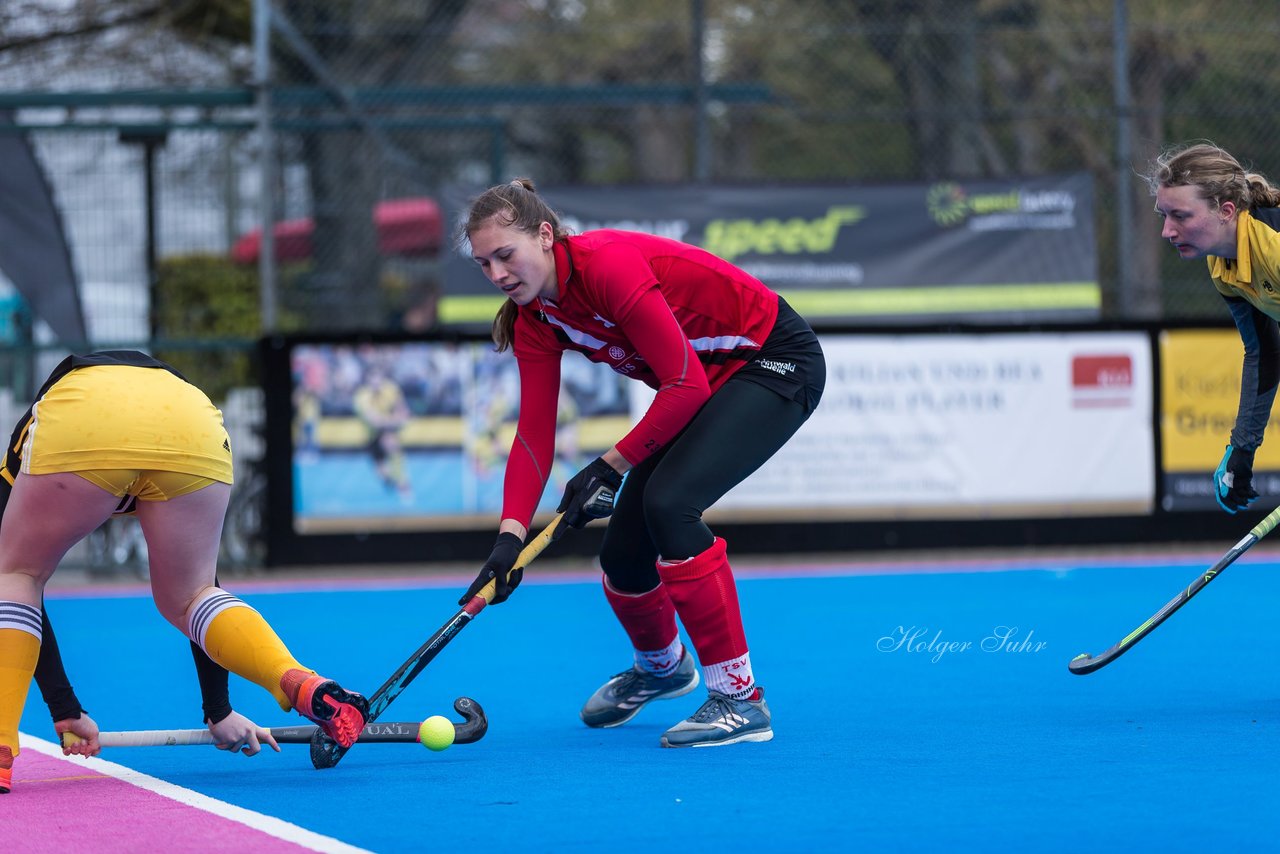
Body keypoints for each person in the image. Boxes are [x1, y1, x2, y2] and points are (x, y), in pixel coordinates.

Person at [458, 178, 825, 748]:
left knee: (671, 504)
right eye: (484, 264)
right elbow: (533, 436)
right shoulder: (534, 318)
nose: (499, 275)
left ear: (546, 236)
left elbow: (683, 384)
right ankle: (662, 667)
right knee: (624, 554)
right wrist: (508, 539)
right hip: (707, 383)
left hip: (772, 361)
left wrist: (607, 466)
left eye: (506, 255)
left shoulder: (608, 267)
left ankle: (740, 699)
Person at [0, 351, 368, 794]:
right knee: (192, 595)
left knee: (17, 573)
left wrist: (64, 707)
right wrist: (219, 710)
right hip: (192, 419)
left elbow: (21, 594)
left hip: (85, 419)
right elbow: (206, 590)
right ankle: (300, 681)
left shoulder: (21, 455)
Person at [1148, 142, 1280, 514]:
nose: (1167, 231)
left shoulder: (1274, 249)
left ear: (1225, 211)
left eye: (1180, 216)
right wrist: (1242, 449)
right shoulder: (1225, 266)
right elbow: (1264, 352)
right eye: (1163, 215)